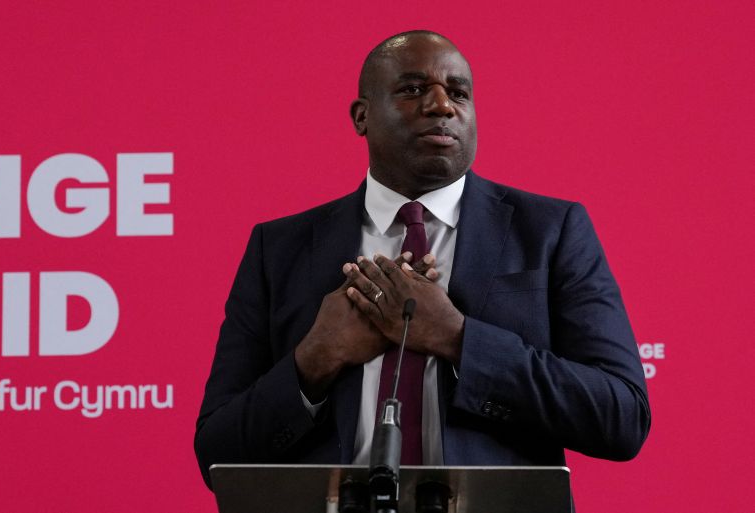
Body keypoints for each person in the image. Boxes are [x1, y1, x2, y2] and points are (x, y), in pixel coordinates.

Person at [194, 30, 650, 489]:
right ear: (361, 116)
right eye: (413, 89)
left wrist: (459, 338)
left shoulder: (551, 231)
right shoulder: (280, 248)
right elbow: (216, 454)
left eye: (458, 93)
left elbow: (622, 415)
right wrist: (315, 358)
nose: (441, 106)